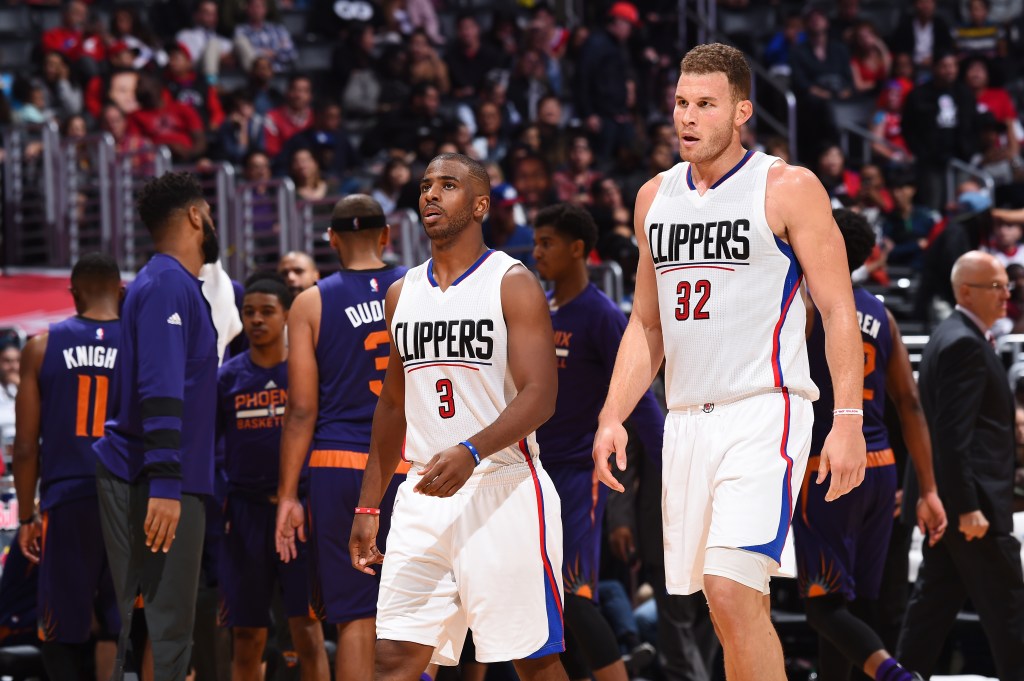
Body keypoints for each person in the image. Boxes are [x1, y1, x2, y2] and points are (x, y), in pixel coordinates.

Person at [592, 43, 866, 681]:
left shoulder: (787, 187)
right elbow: (647, 323)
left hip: (764, 410)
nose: (688, 117)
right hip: (687, 418)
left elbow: (838, 308)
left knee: (731, 589)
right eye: (681, 103)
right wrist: (611, 416)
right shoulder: (654, 197)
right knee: (726, 608)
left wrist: (847, 418)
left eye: (705, 105)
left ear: (742, 111)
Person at [348, 153, 567, 680]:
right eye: (426, 185)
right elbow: (393, 403)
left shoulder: (510, 281)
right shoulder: (402, 293)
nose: (430, 194)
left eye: (448, 185)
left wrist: (472, 450)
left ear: (480, 205)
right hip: (423, 491)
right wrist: (369, 503)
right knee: (394, 658)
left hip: (503, 486)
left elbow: (541, 395)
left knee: (533, 663)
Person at [792, 209, 947, 681]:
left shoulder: (807, 307)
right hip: (879, 467)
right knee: (854, 605)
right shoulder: (882, 314)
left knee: (823, 607)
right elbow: (911, 404)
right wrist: (928, 488)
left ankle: (896, 676)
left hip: (826, 468)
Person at [93, 171, 221, 681]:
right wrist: (167, 482)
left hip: (160, 475)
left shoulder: (167, 283)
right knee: (164, 631)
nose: (212, 222)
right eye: (208, 212)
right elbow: (161, 390)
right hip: (155, 479)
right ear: (195, 215)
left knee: (164, 629)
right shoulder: (167, 284)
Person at [275, 195, 408, 681]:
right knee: (416, 614)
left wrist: (288, 495)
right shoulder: (420, 285)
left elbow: (301, 410)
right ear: (386, 235)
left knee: (356, 616)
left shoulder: (310, 302)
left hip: (339, 465)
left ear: (331, 239)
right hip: (410, 463)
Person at [532, 203, 665, 681]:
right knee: (535, 600)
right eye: (536, 242)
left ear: (577, 250)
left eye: (547, 243)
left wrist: (670, 464)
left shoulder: (602, 315)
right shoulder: (537, 309)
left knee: (574, 595)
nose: (536, 252)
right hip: (531, 471)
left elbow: (640, 399)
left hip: (576, 474)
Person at [896, 251, 1024, 680]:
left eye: (1007, 285)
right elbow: (952, 437)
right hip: (972, 508)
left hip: (955, 504)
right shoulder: (964, 344)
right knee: (1011, 612)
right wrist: (968, 507)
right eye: (997, 286)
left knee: (931, 610)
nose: (1006, 294)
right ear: (966, 291)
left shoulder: (952, 335)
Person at [12, 253, 123, 681]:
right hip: (127, 494)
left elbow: (26, 446)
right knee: (121, 617)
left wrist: (27, 516)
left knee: (60, 622)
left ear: (72, 293)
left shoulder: (40, 347)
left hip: (67, 495)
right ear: (120, 291)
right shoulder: (143, 345)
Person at [217, 275, 327, 681]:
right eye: (249, 312)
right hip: (244, 514)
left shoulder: (307, 371)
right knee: (246, 636)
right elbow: (210, 447)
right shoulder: (226, 377)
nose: (257, 320)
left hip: (298, 512)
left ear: (286, 316)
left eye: (267, 312)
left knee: (307, 631)